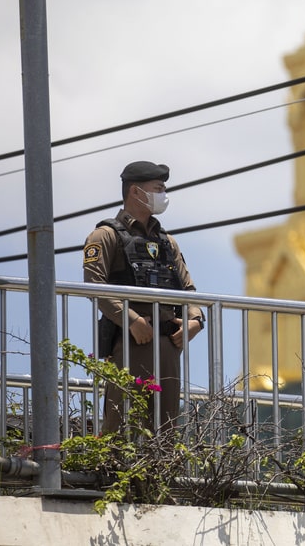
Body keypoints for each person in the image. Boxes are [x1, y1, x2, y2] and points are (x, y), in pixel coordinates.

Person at [82, 160, 204, 435]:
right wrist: (132, 320)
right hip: (128, 342)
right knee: (121, 420)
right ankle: (112, 474)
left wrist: (195, 320)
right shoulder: (106, 235)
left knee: (166, 426)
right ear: (136, 192)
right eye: (158, 188)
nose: (163, 195)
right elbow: (94, 286)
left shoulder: (167, 242)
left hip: (169, 344)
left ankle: (159, 477)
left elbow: (188, 290)